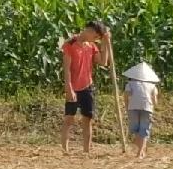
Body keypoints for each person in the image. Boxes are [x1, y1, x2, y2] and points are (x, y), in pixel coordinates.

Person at [60, 20, 111, 153]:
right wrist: (69, 88)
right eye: (96, 36)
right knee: (69, 118)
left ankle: (86, 150)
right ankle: (65, 150)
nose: (96, 39)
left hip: (87, 86)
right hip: (73, 87)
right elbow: (66, 69)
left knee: (87, 119)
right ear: (90, 31)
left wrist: (106, 42)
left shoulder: (91, 46)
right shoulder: (70, 44)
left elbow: (103, 62)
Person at [123, 62, 160, 158]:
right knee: (144, 130)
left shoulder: (130, 84)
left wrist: (127, 108)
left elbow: (126, 96)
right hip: (147, 108)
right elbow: (155, 101)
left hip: (133, 108)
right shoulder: (152, 86)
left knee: (136, 130)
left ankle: (140, 151)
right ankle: (141, 152)